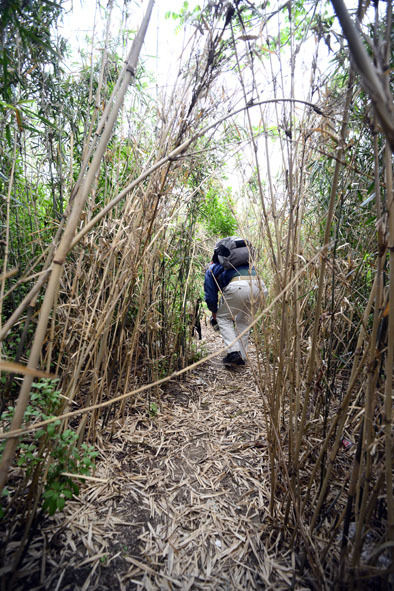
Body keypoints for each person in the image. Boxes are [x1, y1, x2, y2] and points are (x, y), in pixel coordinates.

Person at [204, 237, 267, 368]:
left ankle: (233, 353)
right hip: (260, 286)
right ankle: (241, 357)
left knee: (223, 317)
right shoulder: (246, 264)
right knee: (244, 320)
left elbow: (210, 295)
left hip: (239, 286)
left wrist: (214, 312)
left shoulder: (212, 268)